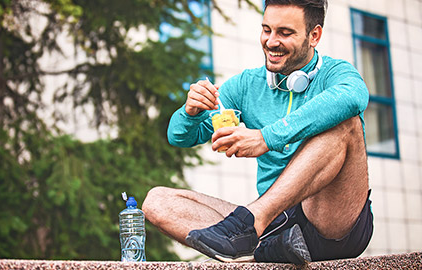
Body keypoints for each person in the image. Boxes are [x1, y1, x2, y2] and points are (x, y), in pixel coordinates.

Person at [142, 0, 373, 264]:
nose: (271, 41)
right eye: (267, 30)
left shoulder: (335, 73)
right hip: (276, 228)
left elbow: (354, 97)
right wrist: (190, 112)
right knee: (156, 201)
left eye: (285, 33)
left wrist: (266, 138)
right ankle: (262, 247)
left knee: (346, 123)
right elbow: (180, 136)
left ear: (314, 36)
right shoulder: (246, 85)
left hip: (331, 220)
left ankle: (252, 225)